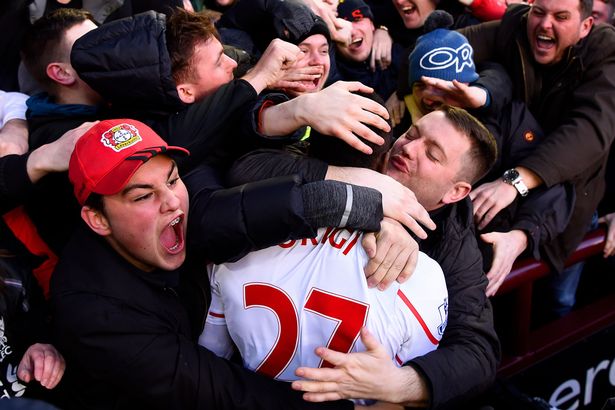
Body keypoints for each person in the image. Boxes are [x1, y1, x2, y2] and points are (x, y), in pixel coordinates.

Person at [52, 118, 379, 409]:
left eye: (172, 179)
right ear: (98, 220)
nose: (172, 202)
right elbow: (221, 392)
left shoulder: (178, 211)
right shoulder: (95, 311)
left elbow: (235, 205)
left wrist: (376, 218)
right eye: (142, 196)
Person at [229, 105, 500, 408]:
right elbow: (246, 170)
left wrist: (402, 384)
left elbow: (478, 353)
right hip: (242, 372)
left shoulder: (454, 239)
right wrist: (365, 200)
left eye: (433, 154)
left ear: (455, 192)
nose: (409, 148)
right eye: (412, 133)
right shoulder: (365, 145)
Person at [399, 10, 574, 296]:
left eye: (442, 85)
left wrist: (520, 236)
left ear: (464, 85)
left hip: (488, 271)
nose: (430, 95)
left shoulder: (508, 118)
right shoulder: (404, 122)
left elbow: (556, 188)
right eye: (421, 85)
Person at [458, 0, 615, 316]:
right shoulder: (514, 26)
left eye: (560, 17)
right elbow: (452, 46)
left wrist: (515, 180)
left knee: (557, 302)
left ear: (585, 26)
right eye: (539, 12)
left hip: (571, 207)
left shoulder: (605, 50)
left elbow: (589, 130)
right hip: (503, 209)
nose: (545, 24)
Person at [331, 0, 404, 99]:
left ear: (372, 25)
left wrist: (403, 95)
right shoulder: (331, 80)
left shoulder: (403, 56)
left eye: (357, 20)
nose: (352, 31)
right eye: (340, 27)